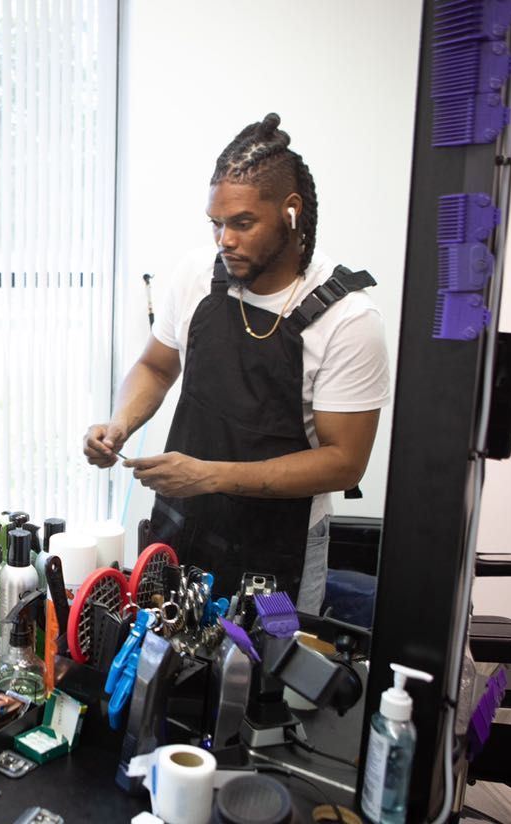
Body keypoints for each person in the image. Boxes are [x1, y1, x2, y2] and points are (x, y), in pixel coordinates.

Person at [84, 113, 389, 612]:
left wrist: (210, 475)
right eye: (217, 224)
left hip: (279, 544)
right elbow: (158, 367)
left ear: (291, 213)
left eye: (242, 223)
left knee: (266, 680)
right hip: (182, 526)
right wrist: (120, 424)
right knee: (163, 670)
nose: (224, 239)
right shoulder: (199, 274)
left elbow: (343, 461)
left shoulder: (348, 319)